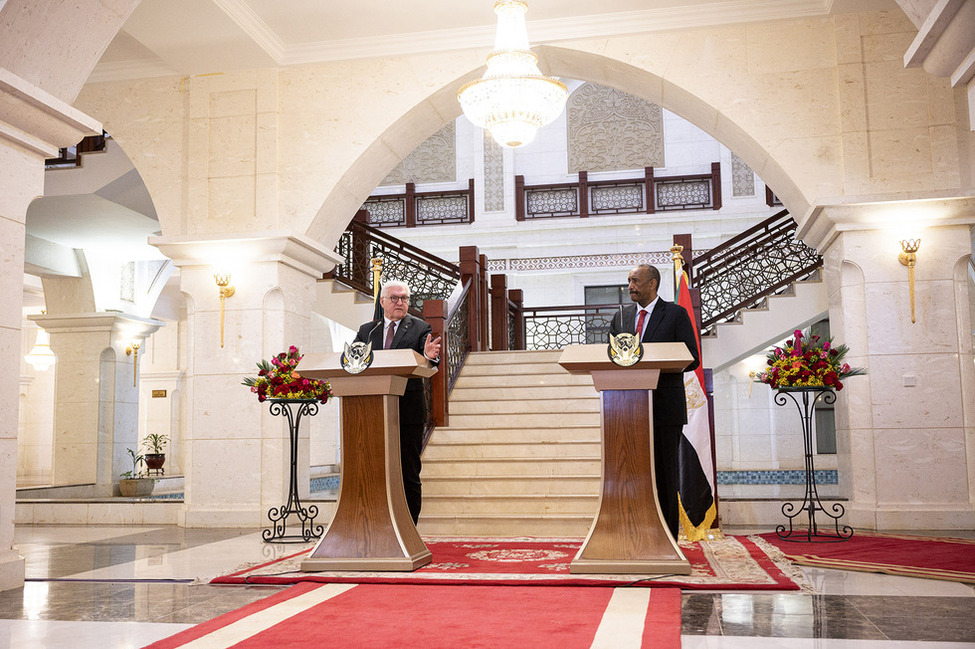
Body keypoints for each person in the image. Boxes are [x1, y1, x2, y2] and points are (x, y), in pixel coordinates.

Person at [609, 264, 700, 540]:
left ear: (652, 284)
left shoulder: (675, 314)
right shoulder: (621, 317)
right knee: (630, 479)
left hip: (664, 411)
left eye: (635, 281)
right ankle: (635, 536)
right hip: (627, 413)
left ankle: (668, 540)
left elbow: (692, 356)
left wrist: (657, 365)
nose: (630, 286)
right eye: (628, 281)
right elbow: (612, 358)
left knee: (664, 478)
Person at [354, 280, 441, 525]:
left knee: (408, 472)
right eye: (394, 298)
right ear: (382, 302)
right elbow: (354, 361)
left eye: (404, 298)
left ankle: (409, 527)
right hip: (372, 411)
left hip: (407, 411)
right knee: (374, 470)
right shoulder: (367, 331)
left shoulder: (420, 327)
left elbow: (431, 358)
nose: (400, 302)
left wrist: (429, 356)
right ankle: (375, 522)